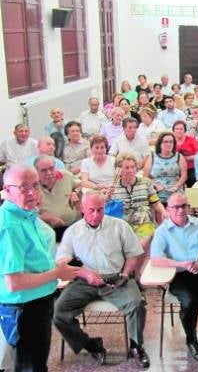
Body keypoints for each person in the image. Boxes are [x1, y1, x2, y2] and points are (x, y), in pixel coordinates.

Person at [53, 191, 149, 369]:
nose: (96, 215)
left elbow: (133, 255)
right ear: (82, 209)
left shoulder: (119, 226)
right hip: (84, 282)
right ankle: (91, 345)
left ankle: (136, 346)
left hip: (116, 279)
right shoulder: (73, 231)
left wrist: (126, 274)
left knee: (137, 304)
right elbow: (61, 261)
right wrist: (84, 273)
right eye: (91, 210)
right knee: (58, 312)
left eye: (100, 210)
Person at [0, 165, 79, 371]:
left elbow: (37, 255)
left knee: (37, 363)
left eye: (35, 186)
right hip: (24, 308)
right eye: (23, 187)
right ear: (7, 190)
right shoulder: (10, 225)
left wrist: (55, 268)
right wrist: (57, 273)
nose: (32, 193)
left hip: (39, 302)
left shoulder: (26, 214)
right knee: (30, 366)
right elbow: (14, 283)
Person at [150, 193, 198, 367]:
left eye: (183, 206)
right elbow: (156, 259)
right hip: (180, 274)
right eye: (175, 207)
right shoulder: (162, 230)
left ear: (188, 207)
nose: (180, 210)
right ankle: (191, 340)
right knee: (190, 301)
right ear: (168, 209)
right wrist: (181, 264)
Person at [111, 153, 166, 260]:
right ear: (119, 170)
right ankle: (132, 268)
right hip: (124, 224)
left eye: (133, 167)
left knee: (144, 240)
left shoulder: (145, 183)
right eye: (127, 167)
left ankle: (134, 269)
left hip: (144, 222)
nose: (131, 170)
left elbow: (156, 203)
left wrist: (163, 212)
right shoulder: (113, 188)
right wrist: (107, 198)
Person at [35, 155, 82, 242]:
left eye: (51, 168)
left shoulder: (65, 175)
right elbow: (27, 216)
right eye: (44, 170)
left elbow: (80, 185)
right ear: (36, 172)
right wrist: (48, 218)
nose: (49, 173)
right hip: (47, 234)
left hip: (73, 226)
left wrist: (75, 192)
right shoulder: (32, 186)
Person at [142, 132, 188, 205]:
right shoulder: (152, 156)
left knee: (176, 202)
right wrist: (155, 185)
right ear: (160, 143)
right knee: (156, 202)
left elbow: (184, 175)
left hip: (174, 188)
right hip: (157, 188)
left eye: (171, 142)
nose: (169, 144)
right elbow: (145, 176)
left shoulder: (179, 157)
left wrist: (176, 187)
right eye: (165, 142)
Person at [173, 120, 198, 187]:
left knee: (193, 178)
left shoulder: (191, 140)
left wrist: (188, 158)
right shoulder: (170, 140)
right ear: (173, 130)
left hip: (190, 167)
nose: (179, 131)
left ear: (185, 130)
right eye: (177, 129)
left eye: (181, 129)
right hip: (175, 168)